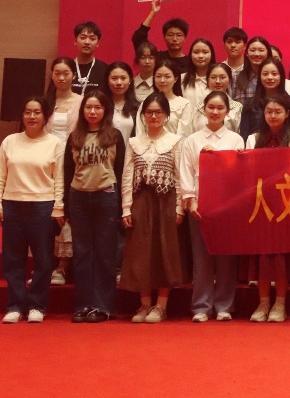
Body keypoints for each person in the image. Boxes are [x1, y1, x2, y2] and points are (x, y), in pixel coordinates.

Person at [61, 88, 127, 323]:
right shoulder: (75, 137)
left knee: (105, 253)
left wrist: (122, 205)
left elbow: (120, 170)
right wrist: (65, 207)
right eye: (88, 107)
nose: (92, 111)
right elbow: (68, 171)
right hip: (78, 197)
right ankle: (83, 305)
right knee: (82, 253)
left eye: (97, 107)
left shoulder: (114, 136)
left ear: (105, 110)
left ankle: (103, 306)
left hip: (106, 196)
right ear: (82, 110)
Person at [179, 90, 245, 322]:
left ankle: (224, 305)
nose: (215, 112)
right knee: (201, 257)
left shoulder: (235, 139)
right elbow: (186, 172)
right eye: (211, 107)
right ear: (204, 109)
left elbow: (239, 173)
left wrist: (218, 157)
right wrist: (190, 200)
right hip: (199, 204)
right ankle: (201, 306)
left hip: (226, 205)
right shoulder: (192, 140)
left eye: (220, 108)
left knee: (226, 257)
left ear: (227, 112)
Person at [120, 93, 187, 323]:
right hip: (140, 201)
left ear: (166, 115)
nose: (154, 116)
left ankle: (161, 306)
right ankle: (145, 304)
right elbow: (127, 176)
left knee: (164, 251)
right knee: (140, 252)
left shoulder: (175, 141)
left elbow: (179, 176)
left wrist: (179, 207)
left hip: (166, 201)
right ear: (143, 115)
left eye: (158, 112)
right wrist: (126, 208)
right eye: (149, 112)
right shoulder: (134, 142)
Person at [1, 97, 63, 323]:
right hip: (12, 204)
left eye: (37, 112)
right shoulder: (10, 141)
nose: (32, 116)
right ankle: (15, 305)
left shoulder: (54, 143)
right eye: (28, 112)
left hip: (43, 205)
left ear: (45, 116)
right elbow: (1, 175)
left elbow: (59, 178)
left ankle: (37, 305)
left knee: (43, 259)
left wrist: (58, 207)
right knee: (13, 259)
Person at [245, 95, 290, 322]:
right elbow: (246, 170)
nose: (273, 116)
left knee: (279, 255)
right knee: (263, 254)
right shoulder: (253, 139)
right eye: (269, 112)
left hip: (286, 203)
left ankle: (280, 304)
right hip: (261, 203)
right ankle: (263, 303)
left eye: (278, 112)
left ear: (287, 114)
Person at [239, 58, 290, 140]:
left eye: (274, 74)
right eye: (265, 74)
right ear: (260, 76)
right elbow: (244, 136)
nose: (270, 77)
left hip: (285, 146)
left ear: (281, 76)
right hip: (256, 146)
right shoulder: (250, 104)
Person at [132, 3, 191, 78]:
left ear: (185, 38)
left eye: (179, 35)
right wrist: (153, 13)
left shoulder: (190, 62)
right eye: (170, 35)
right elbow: (138, 38)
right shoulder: (157, 57)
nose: (174, 39)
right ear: (164, 37)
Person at [151, 59, 193, 137]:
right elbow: (140, 131)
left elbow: (183, 135)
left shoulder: (184, 105)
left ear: (175, 79)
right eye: (158, 76)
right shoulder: (146, 103)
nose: (162, 80)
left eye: (167, 77)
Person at [70, 21, 110, 94]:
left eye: (92, 38)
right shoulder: (67, 68)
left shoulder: (105, 70)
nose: (87, 42)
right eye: (83, 38)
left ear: (97, 43)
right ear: (75, 41)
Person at [105, 61, 139, 140]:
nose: (119, 83)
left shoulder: (137, 107)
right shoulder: (100, 106)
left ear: (130, 80)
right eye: (114, 78)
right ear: (107, 81)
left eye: (123, 78)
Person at [181, 38, 217, 109]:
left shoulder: (218, 80)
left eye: (205, 52)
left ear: (211, 55)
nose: (200, 56)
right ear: (190, 55)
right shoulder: (181, 79)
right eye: (196, 52)